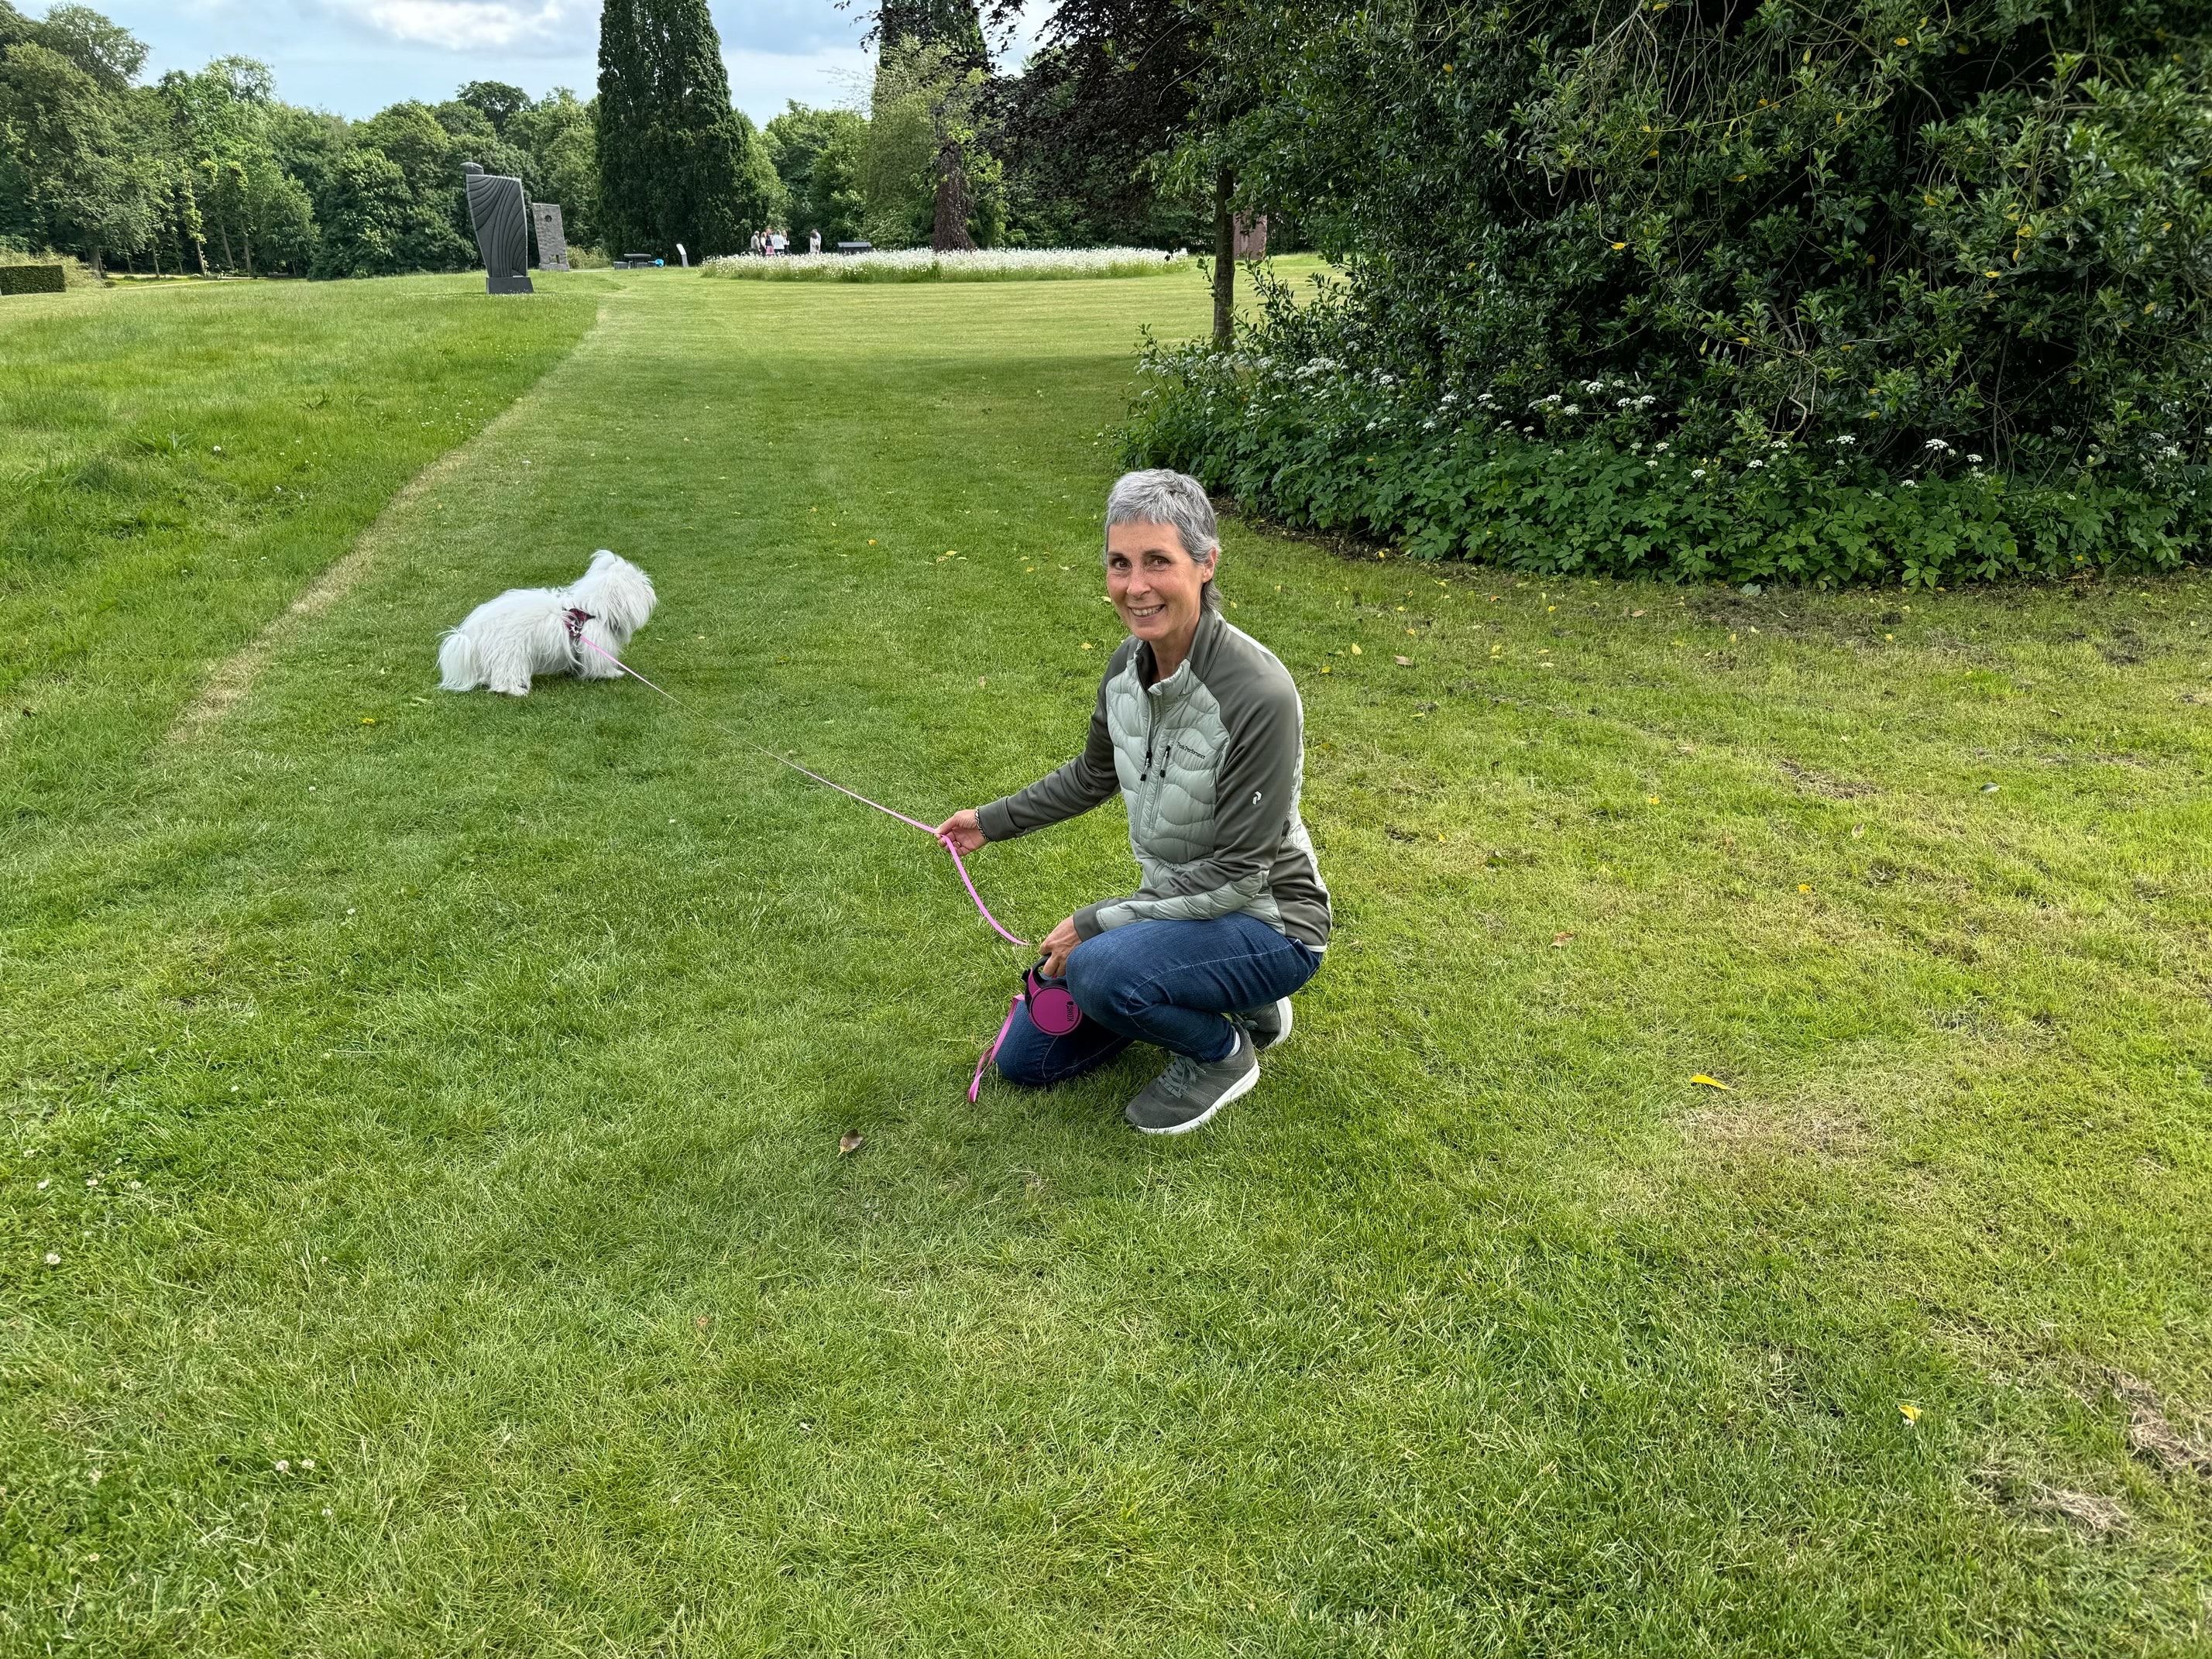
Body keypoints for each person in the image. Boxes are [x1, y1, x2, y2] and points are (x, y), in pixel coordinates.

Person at [936, 470, 1330, 1135]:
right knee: (1026, 1060)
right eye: (1120, 564)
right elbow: (1093, 774)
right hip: (1178, 908)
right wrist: (989, 822)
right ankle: (1236, 1001)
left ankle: (1221, 1053)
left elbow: (1239, 877)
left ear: (1206, 564)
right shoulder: (1128, 665)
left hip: (1270, 923)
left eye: (1158, 562)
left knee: (1098, 969)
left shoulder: (1258, 694)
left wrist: (1096, 923)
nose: (1135, 586)